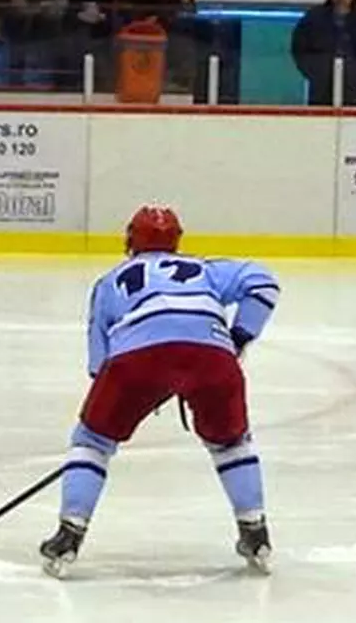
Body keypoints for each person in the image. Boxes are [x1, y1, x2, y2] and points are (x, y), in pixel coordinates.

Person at [39, 206, 279, 578]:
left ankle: (69, 533)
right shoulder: (206, 269)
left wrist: (134, 394)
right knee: (231, 443)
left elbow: (97, 366)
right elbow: (264, 284)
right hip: (212, 355)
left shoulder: (109, 282)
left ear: (130, 239)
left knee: (92, 441)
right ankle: (255, 531)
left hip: (136, 357)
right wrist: (238, 337)